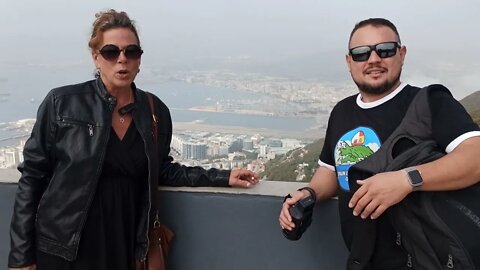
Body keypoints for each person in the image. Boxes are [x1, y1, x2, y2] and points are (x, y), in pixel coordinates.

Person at [8, 9, 259, 270]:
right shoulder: (62, 104)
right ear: (96, 57)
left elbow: (161, 169)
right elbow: (32, 179)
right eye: (110, 52)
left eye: (132, 52)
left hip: (126, 242)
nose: (122, 60)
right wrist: (21, 256)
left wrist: (222, 177)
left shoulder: (153, 111)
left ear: (140, 59)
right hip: (66, 247)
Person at [279, 18, 480, 269]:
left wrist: (407, 180)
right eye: (361, 53)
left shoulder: (429, 103)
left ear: (402, 54)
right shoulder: (342, 111)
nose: (373, 59)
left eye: (385, 50)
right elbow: (332, 170)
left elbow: (475, 157)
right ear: (349, 61)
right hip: (361, 259)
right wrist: (309, 194)